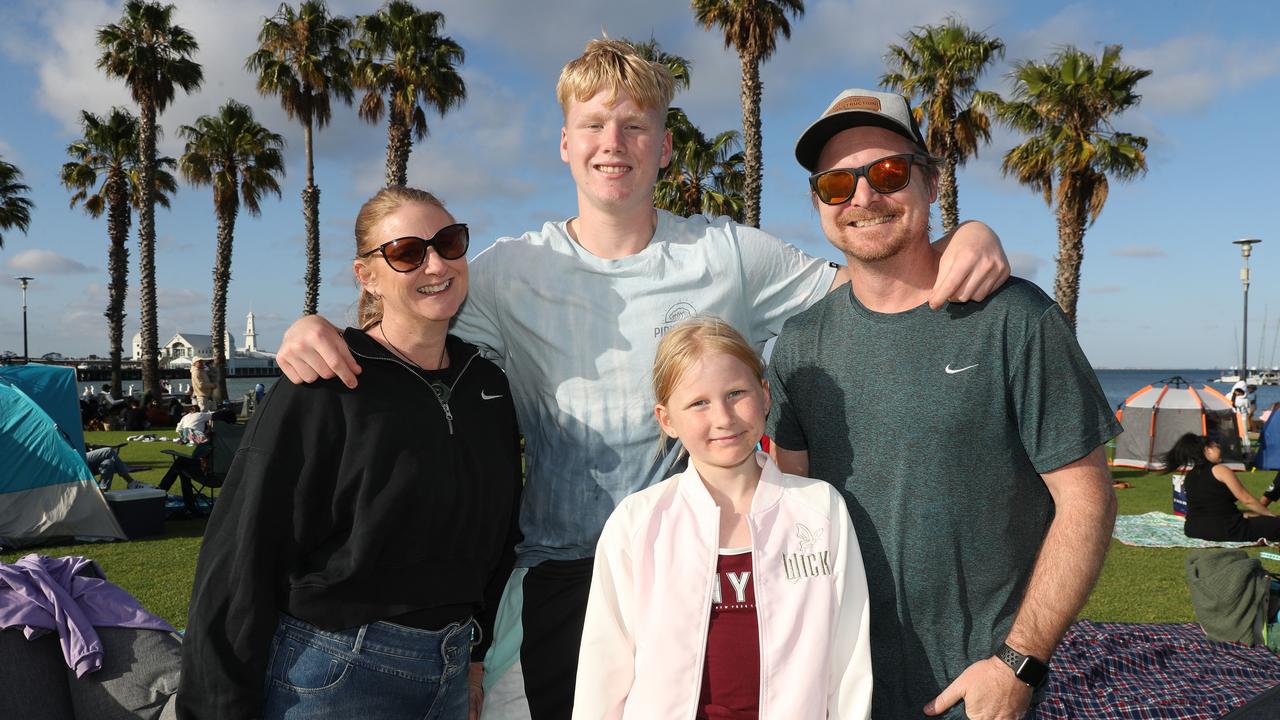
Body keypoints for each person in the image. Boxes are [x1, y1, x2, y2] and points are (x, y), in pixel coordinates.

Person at [274, 40, 1011, 720]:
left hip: (694, 576)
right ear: (565, 144)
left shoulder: (729, 255)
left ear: (663, 147)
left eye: (634, 126)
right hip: (560, 576)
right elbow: (407, 323)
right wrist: (325, 332)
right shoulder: (505, 273)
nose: (612, 144)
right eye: (593, 125)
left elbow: (872, 284)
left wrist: (960, 238)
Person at [765, 88, 1120, 720]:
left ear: (929, 183)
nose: (864, 198)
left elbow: (1087, 496)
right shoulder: (799, 347)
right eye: (837, 184)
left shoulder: (1016, 318)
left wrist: (1019, 661)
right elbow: (785, 512)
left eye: (888, 173)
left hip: (976, 695)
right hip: (838, 690)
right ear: (818, 202)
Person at [177, 187, 524, 720]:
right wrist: (216, 707)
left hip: (451, 670)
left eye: (450, 243)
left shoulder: (488, 385)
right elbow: (243, 548)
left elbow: (501, 535)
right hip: (336, 674)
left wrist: (475, 657)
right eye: (408, 252)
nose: (436, 263)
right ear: (368, 276)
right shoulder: (325, 382)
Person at [574, 317, 871, 719]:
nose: (723, 417)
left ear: (765, 395)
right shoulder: (637, 523)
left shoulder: (820, 511)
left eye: (736, 393)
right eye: (698, 402)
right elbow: (603, 669)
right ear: (666, 419)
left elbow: (849, 660)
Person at [1162, 433, 1280, 542]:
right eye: (1216, 446)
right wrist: (1270, 516)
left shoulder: (1190, 475)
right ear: (1207, 450)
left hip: (1193, 529)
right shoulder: (1220, 470)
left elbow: (1213, 508)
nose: (1219, 449)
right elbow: (1247, 500)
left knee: (1256, 518)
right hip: (1224, 529)